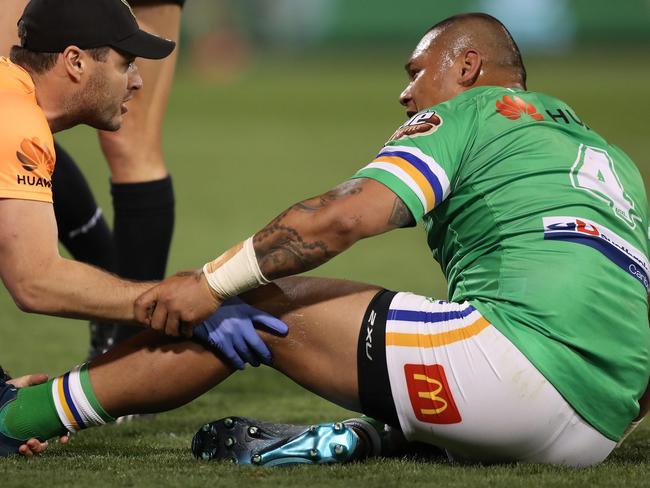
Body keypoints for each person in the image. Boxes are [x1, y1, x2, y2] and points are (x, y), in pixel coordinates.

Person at [1, 12, 647, 467]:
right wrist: (603, 414)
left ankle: (18, 418)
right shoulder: (612, 162)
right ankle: (387, 435)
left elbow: (343, 216)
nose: (406, 93)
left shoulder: (471, 111)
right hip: (597, 430)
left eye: (416, 72)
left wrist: (207, 285)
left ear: (468, 66)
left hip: (504, 373)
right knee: (450, 331)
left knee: (250, 308)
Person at [0, 0, 184, 358]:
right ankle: (131, 363)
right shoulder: (15, 122)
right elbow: (35, 282)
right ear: (75, 61)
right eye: (125, 64)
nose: (138, 81)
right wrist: (161, 301)